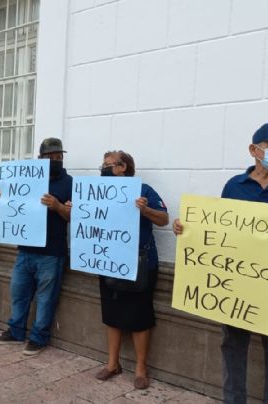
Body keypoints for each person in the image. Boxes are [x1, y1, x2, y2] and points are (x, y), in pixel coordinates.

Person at [173, 121, 268, 403]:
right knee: (232, 346)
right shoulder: (234, 186)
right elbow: (218, 231)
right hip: (237, 281)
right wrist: (188, 229)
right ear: (254, 150)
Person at [94, 150, 169, 390]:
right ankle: (112, 364)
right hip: (108, 259)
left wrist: (144, 210)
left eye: (109, 165)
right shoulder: (98, 191)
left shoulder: (144, 190)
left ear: (123, 167)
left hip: (140, 263)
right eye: (103, 165)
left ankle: (140, 368)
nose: (104, 169)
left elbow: (164, 219)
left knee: (140, 317)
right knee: (111, 314)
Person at [0, 138, 73, 355]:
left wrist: (56, 206)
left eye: (59, 157)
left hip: (52, 253)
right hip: (25, 249)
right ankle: (16, 331)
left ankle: (38, 337)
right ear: (41, 158)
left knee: (46, 298)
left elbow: (74, 216)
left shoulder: (69, 183)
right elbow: (12, 203)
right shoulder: (26, 177)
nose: (56, 160)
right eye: (51, 157)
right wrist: (1, 197)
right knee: (18, 292)